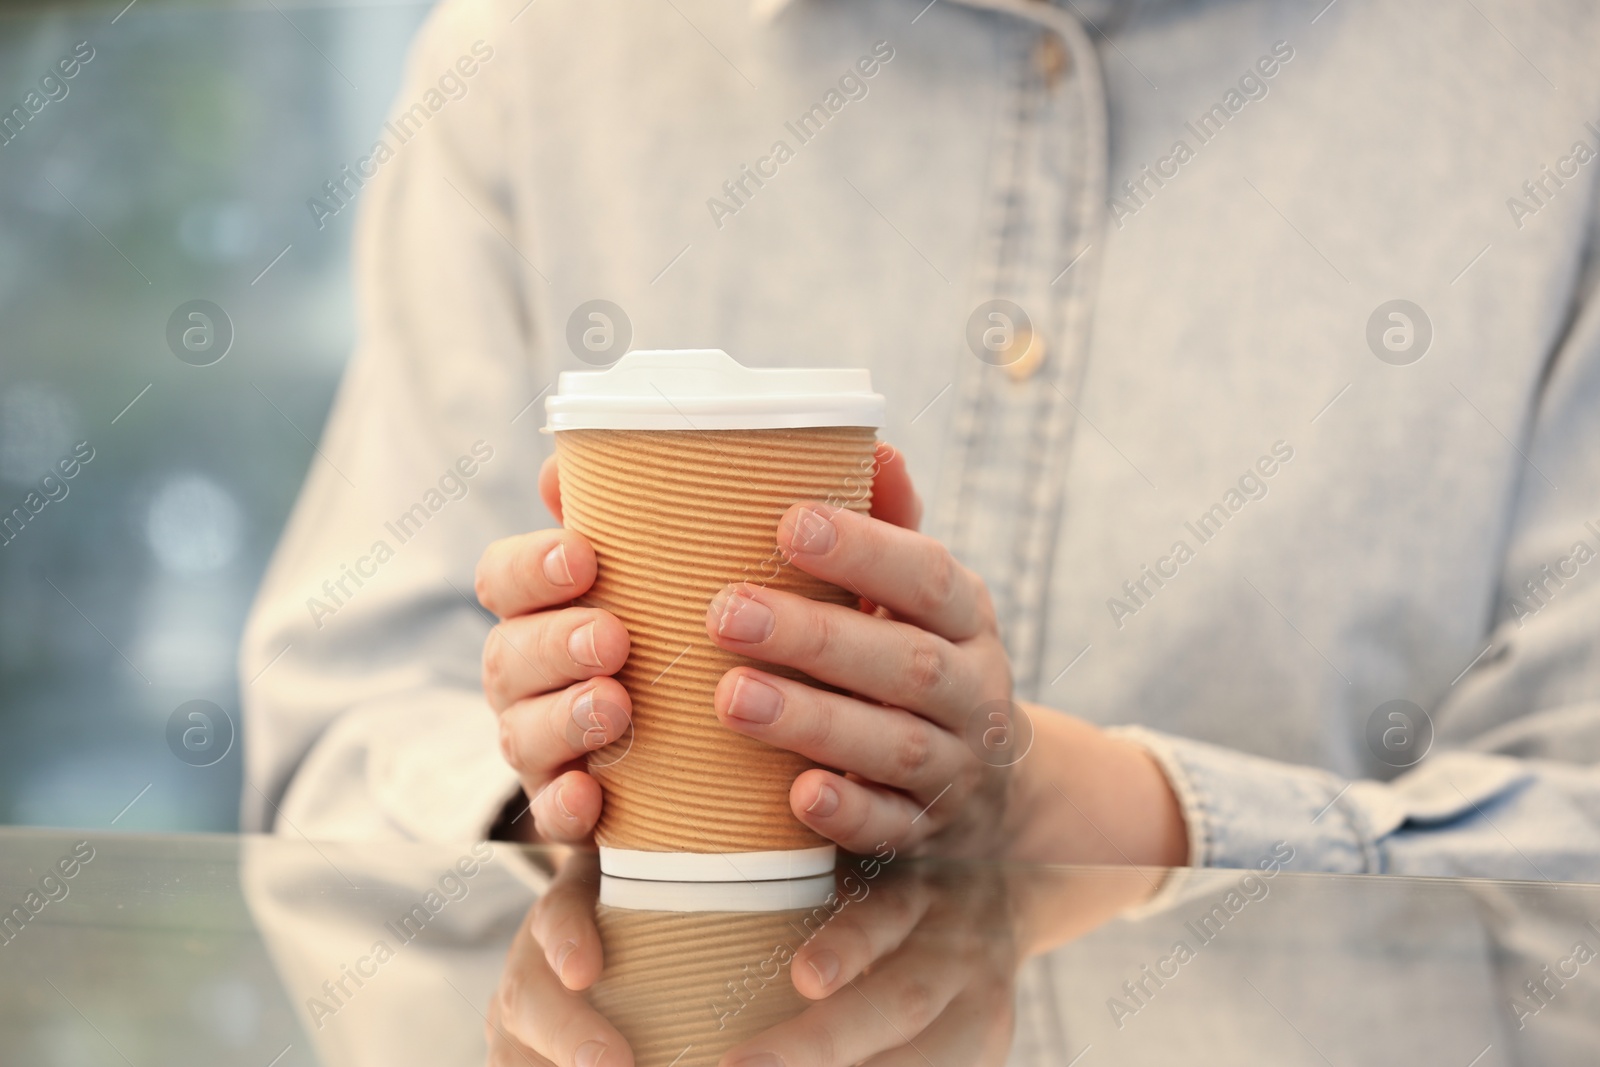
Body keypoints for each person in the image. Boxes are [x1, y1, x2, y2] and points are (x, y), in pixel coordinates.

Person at [242, 0, 1600, 886]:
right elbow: (337, 752)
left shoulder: (1556, 87)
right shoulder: (532, 58)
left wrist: (1106, 818)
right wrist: (567, 805)